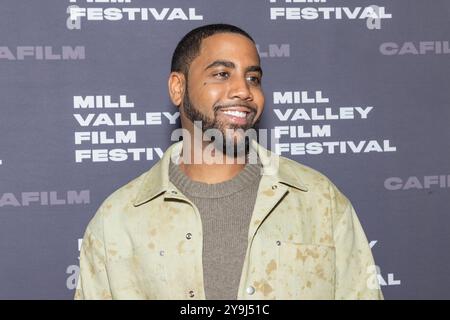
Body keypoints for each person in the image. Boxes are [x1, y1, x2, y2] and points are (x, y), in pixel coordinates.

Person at [75, 23, 383, 300]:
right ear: (177, 88)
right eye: (222, 74)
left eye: (253, 77)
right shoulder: (118, 220)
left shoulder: (319, 201)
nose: (244, 91)